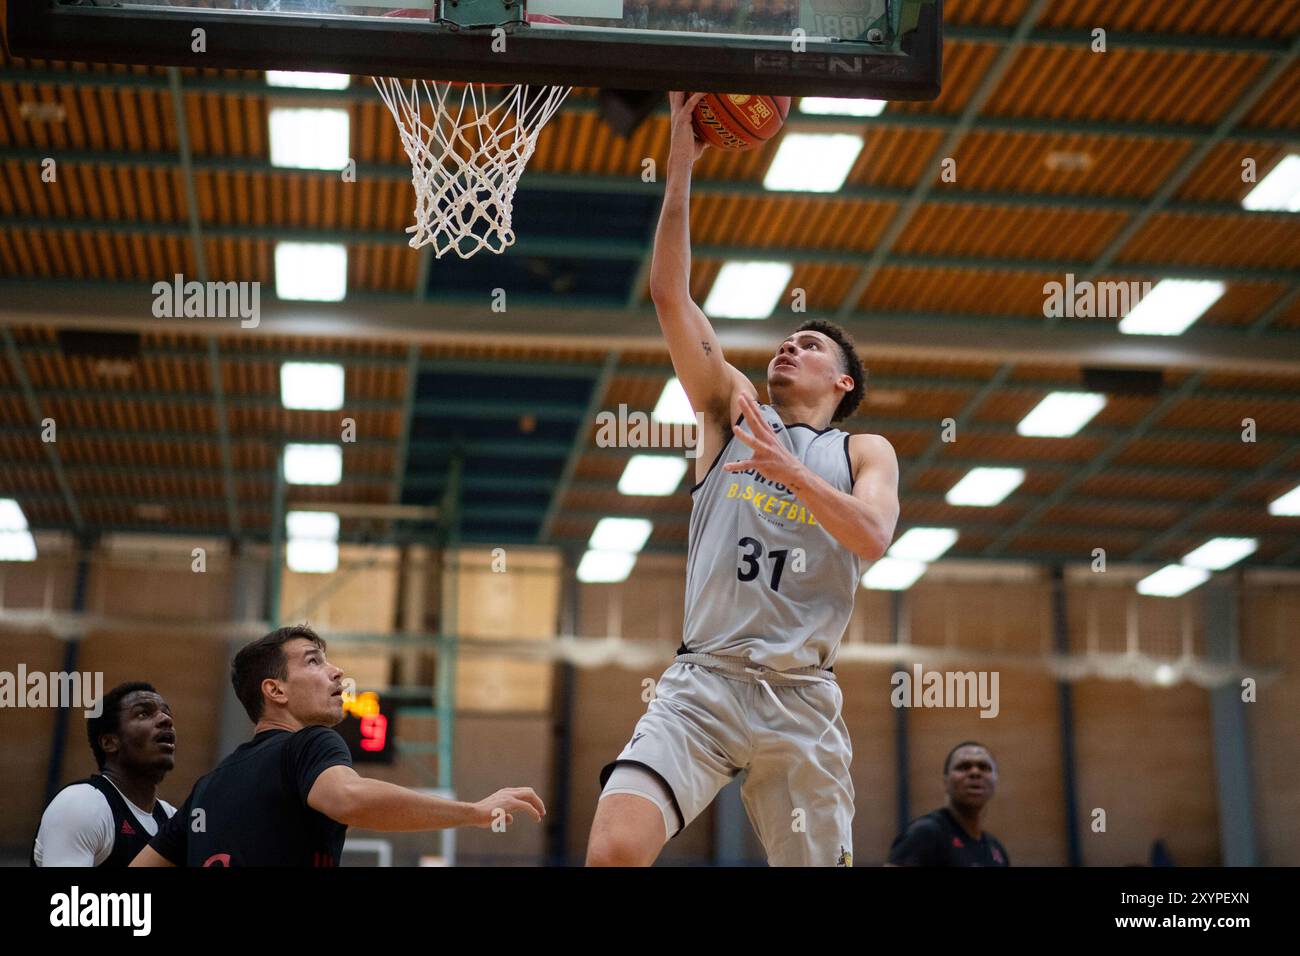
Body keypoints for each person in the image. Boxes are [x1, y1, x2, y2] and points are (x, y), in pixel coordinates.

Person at [586, 92, 901, 867]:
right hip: (704, 682)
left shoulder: (866, 450)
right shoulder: (731, 410)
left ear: (844, 384)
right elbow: (671, 297)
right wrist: (681, 165)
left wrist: (791, 471)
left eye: (810, 346)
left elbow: (871, 537)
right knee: (616, 849)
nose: (789, 349)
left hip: (801, 698)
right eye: (786, 341)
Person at [131, 625, 543, 866]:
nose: (337, 671)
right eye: (314, 661)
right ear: (275, 690)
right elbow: (350, 798)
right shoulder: (309, 744)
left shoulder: (207, 786)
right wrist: (473, 812)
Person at [33, 681, 178, 867]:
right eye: (143, 713)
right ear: (109, 742)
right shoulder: (81, 804)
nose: (166, 719)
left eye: (167, 712)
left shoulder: (171, 817)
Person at [886, 741, 1009, 866]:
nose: (975, 773)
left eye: (984, 767)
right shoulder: (925, 834)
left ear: (995, 779)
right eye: (964, 767)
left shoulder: (996, 850)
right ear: (946, 780)